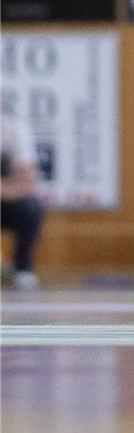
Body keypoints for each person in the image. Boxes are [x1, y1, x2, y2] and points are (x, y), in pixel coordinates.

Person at [1, 99, 45, 291]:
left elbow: (28, 182)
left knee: (31, 208)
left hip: (7, 202)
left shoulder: (15, 130)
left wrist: (5, 190)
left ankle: (23, 269)